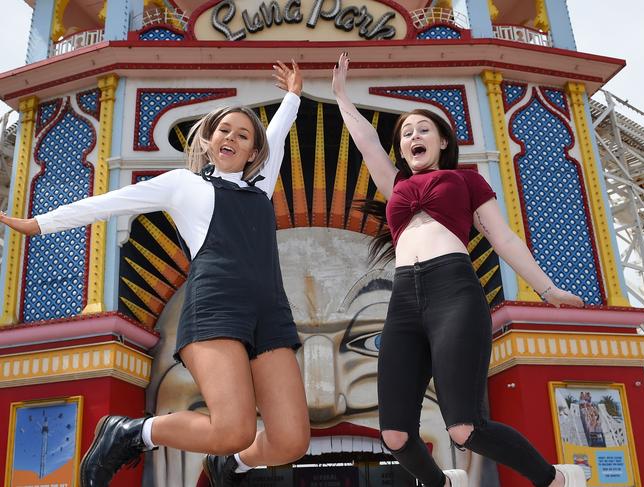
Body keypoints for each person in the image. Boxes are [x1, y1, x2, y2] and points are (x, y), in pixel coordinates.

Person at [0, 61, 310, 487]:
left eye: (244, 136)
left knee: (291, 441)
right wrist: (39, 224)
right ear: (207, 138)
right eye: (224, 131)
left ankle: (232, 464)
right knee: (232, 429)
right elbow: (112, 202)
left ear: (254, 153)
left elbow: (276, 132)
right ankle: (131, 431)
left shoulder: (259, 187)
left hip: (271, 315)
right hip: (216, 309)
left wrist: (292, 95)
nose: (232, 139)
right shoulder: (185, 185)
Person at [331, 51, 587, 487]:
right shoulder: (394, 184)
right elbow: (366, 142)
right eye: (406, 132)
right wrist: (340, 95)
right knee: (394, 435)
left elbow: (502, 237)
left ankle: (554, 480)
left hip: (455, 292)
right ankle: (445, 484)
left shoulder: (465, 180)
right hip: (405, 299)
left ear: (443, 141)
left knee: (463, 428)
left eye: (423, 129)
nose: (414, 135)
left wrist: (548, 290)